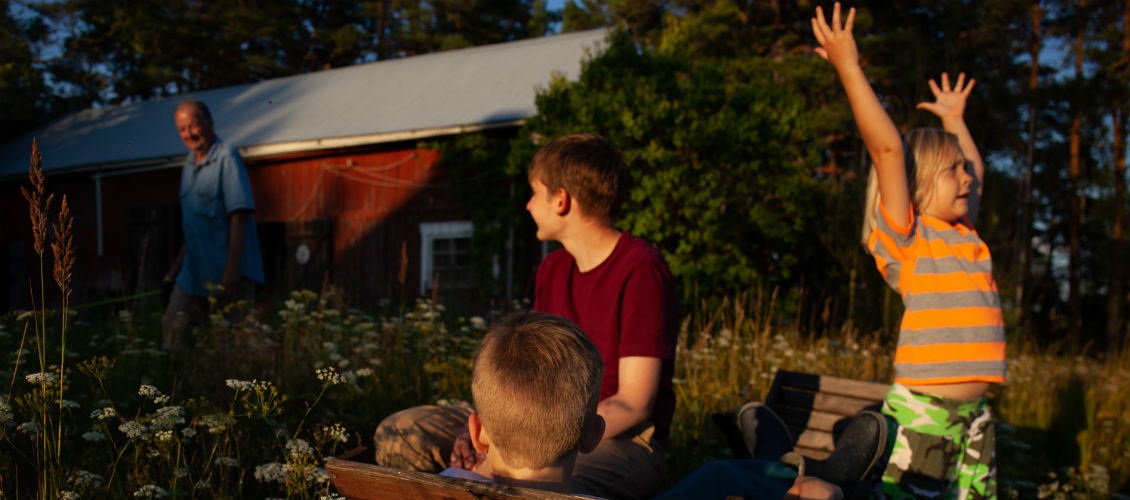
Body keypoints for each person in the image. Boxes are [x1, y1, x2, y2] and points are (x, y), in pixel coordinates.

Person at [372, 133, 679, 500]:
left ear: (561, 200)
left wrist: (502, 458)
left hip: (615, 435)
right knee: (400, 435)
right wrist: (487, 426)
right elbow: (525, 374)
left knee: (542, 488)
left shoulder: (641, 270)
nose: (529, 205)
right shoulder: (552, 269)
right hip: (527, 418)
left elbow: (634, 403)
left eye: (535, 192)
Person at [812, 4, 1005, 499]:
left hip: (974, 417)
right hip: (924, 411)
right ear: (915, 187)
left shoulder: (966, 235)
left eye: (965, 169)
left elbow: (978, 175)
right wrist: (849, 67)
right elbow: (888, 151)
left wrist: (955, 121)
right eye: (952, 170)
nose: (968, 178)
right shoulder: (912, 239)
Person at [443, 311, 841, 500]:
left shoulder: (432, 488)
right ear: (594, 436)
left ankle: (783, 463)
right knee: (718, 477)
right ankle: (796, 469)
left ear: (477, 432)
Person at [161, 98, 264, 349]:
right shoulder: (188, 166)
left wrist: (231, 271)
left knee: (231, 340)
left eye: (193, 126)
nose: (189, 134)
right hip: (193, 271)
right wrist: (174, 271)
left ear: (209, 123)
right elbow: (193, 226)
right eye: (182, 129)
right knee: (171, 323)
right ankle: (172, 382)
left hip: (224, 269)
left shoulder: (227, 158)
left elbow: (239, 216)